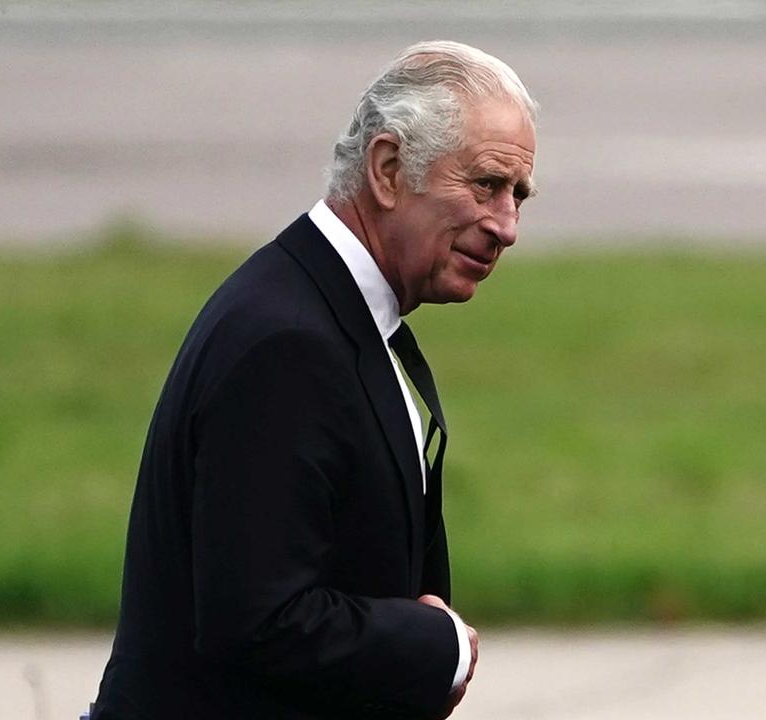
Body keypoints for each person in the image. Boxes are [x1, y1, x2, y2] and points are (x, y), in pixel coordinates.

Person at [89, 41, 537, 719]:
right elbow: (258, 620)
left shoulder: (322, 308)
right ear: (388, 170)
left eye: (518, 195)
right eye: (485, 184)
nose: (505, 226)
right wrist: (434, 646)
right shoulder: (289, 343)